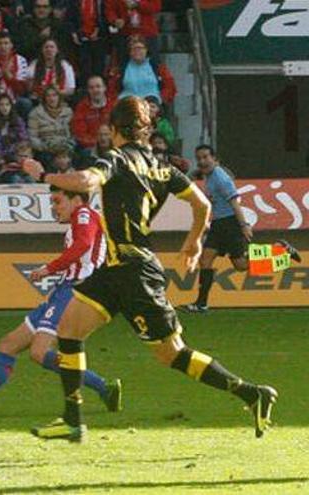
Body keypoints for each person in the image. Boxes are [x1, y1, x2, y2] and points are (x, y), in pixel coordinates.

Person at [21, 96, 278, 442]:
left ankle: (252, 393)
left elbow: (85, 181)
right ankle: (73, 419)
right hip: (114, 270)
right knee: (69, 330)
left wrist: (45, 174)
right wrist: (194, 242)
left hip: (134, 273)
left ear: (114, 130)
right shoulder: (160, 166)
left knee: (172, 354)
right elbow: (201, 203)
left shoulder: (116, 159)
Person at [0, 186, 122, 416]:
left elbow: (83, 244)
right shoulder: (80, 218)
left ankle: (103, 386)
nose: (54, 208)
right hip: (62, 292)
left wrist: (48, 269)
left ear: (76, 200)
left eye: (58, 201)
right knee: (9, 344)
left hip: (73, 292)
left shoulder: (84, 214)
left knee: (39, 352)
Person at [181, 145, 301, 313]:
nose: (202, 161)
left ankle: (281, 251)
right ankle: (201, 304)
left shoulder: (221, 179)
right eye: (199, 158)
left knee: (241, 265)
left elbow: (235, 203)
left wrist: (243, 225)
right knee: (205, 261)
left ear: (215, 159)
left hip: (230, 224)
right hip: (219, 225)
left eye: (205, 157)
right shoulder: (208, 177)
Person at [109, 36, 175, 105]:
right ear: (130, 52)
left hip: (152, 104)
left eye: (140, 48)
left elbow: (170, 86)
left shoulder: (158, 67)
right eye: (134, 49)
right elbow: (112, 88)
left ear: (146, 50)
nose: (137, 51)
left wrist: (161, 99)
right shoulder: (121, 69)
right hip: (128, 104)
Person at [27, 84, 73, 165]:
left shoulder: (68, 112)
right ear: (44, 98)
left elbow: (73, 134)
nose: (51, 99)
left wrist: (68, 145)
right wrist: (44, 147)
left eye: (54, 95)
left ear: (59, 97)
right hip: (46, 150)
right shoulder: (35, 113)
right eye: (48, 96)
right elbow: (32, 137)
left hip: (65, 148)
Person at [66, 0, 108, 87]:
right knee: (84, 70)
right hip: (81, 42)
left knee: (98, 69)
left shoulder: (100, 2)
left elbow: (105, 18)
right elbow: (69, 19)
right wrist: (74, 33)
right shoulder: (74, 2)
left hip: (98, 40)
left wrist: (98, 30)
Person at [71, 75, 113, 152]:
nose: (95, 90)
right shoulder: (81, 107)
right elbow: (79, 133)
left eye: (98, 86)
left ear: (104, 88)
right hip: (90, 148)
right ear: (88, 90)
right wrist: (98, 143)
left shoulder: (114, 105)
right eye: (91, 88)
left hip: (113, 145)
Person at [0, 94, 28, 167]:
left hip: (17, 153)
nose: (4, 107)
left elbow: (23, 139)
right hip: (1, 155)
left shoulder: (18, 120)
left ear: (11, 106)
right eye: (1, 105)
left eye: (7, 104)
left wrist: (18, 153)